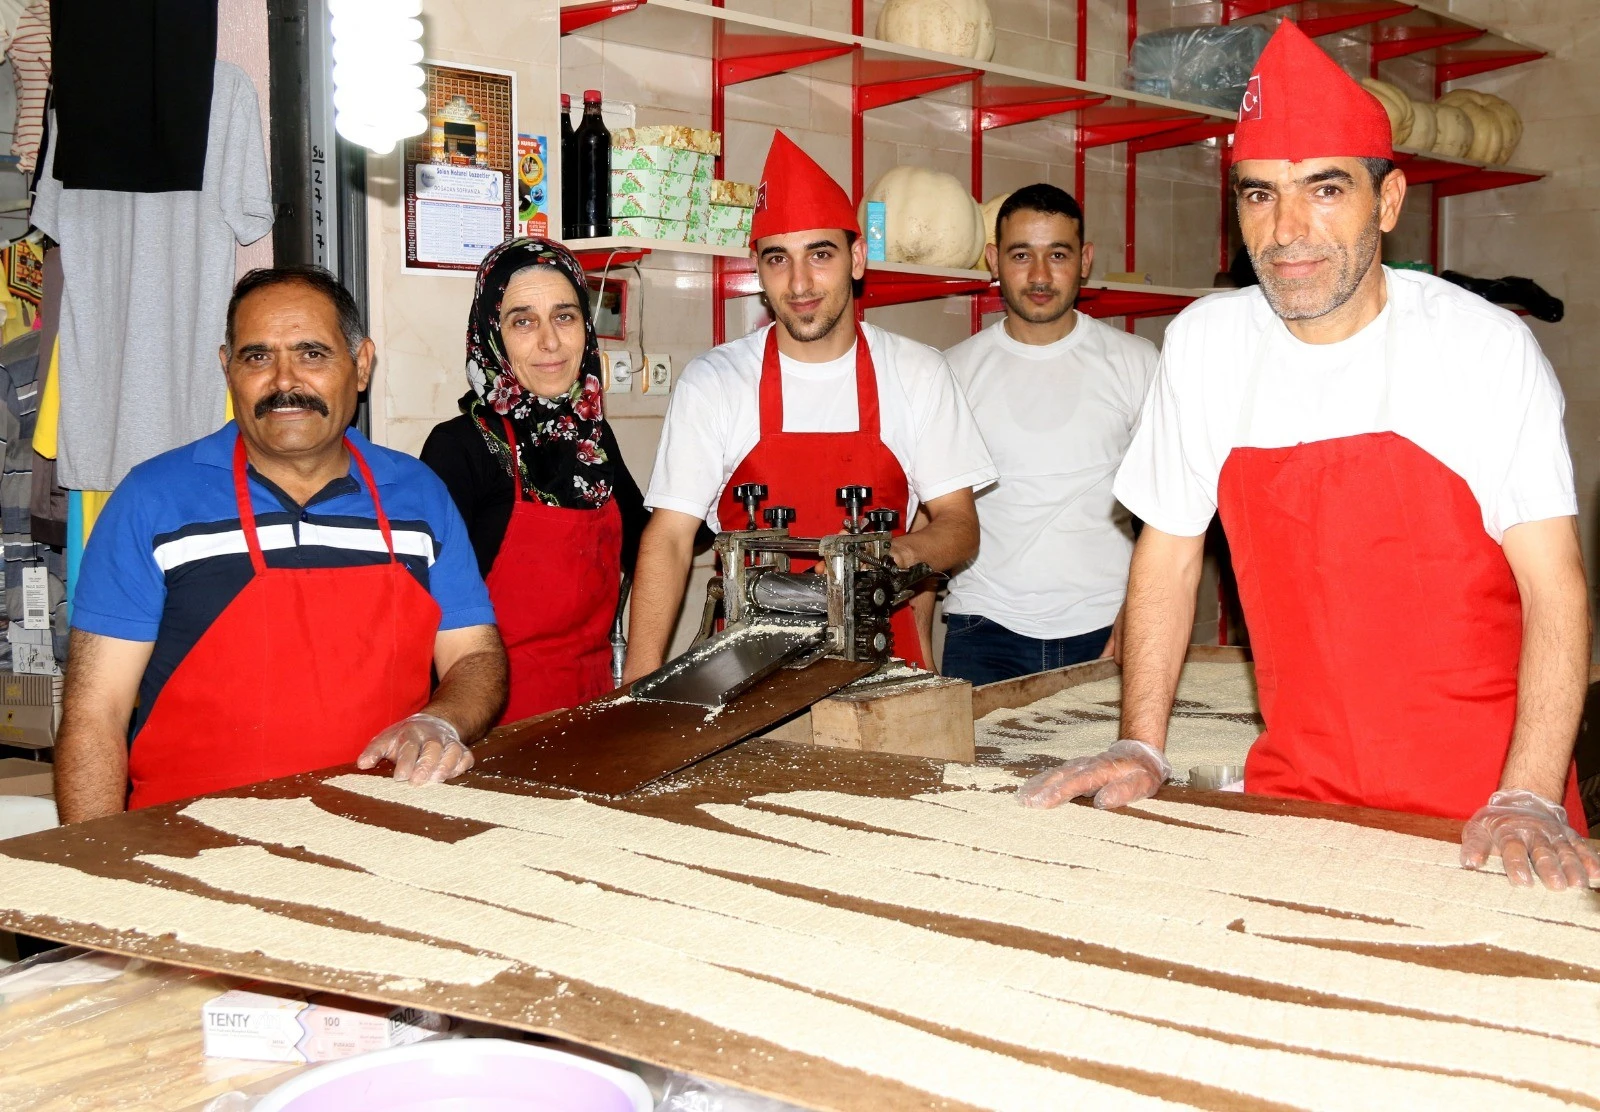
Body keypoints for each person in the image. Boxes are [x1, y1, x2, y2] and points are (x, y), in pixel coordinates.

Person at [1018, 21, 1599, 891]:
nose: (1288, 229)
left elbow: (1556, 588)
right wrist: (1142, 740)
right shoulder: (1206, 345)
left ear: (1389, 201)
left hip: (1485, 807)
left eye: (1325, 190)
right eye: (1259, 194)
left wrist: (1529, 793)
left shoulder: (1481, 350)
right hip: (1300, 794)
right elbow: (1169, 554)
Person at [56, 266, 507, 820]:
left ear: (361, 365)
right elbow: (94, 713)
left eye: (313, 354)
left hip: (391, 831)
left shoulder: (419, 497)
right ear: (228, 370)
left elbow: (476, 656)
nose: (284, 381)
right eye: (257, 357)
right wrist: (101, 863)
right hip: (187, 845)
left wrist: (443, 719)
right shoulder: (151, 501)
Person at [623, 131, 996, 679]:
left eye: (820, 254)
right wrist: (637, 684)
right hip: (747, 673)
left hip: (883, 666)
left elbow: (960, 525)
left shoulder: (916, 372)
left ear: (857, 258)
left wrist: (883, 559)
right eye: (779, 259)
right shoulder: (716, 381)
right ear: (759, 270)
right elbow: (671, 538)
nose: (799, 283)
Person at [421, 238, 648, 723]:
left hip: (591, 718)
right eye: (523, 321)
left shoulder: (594, 437)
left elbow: (647, 546)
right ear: (491, 335)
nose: (550, 342)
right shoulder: (461, 447)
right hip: (490, 729)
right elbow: (421, 616)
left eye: (564, 316)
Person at [940, 183, 1157, 683]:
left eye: (1057, 254)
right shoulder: (951, 373)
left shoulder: (1138, 363)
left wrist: (1143, 614)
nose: (1040, 276)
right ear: (994, 260)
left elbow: (1164, 511)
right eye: (1022, 255)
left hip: (1108, 627)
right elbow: (932, 517)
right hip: (984, 629)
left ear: (1085, 260)